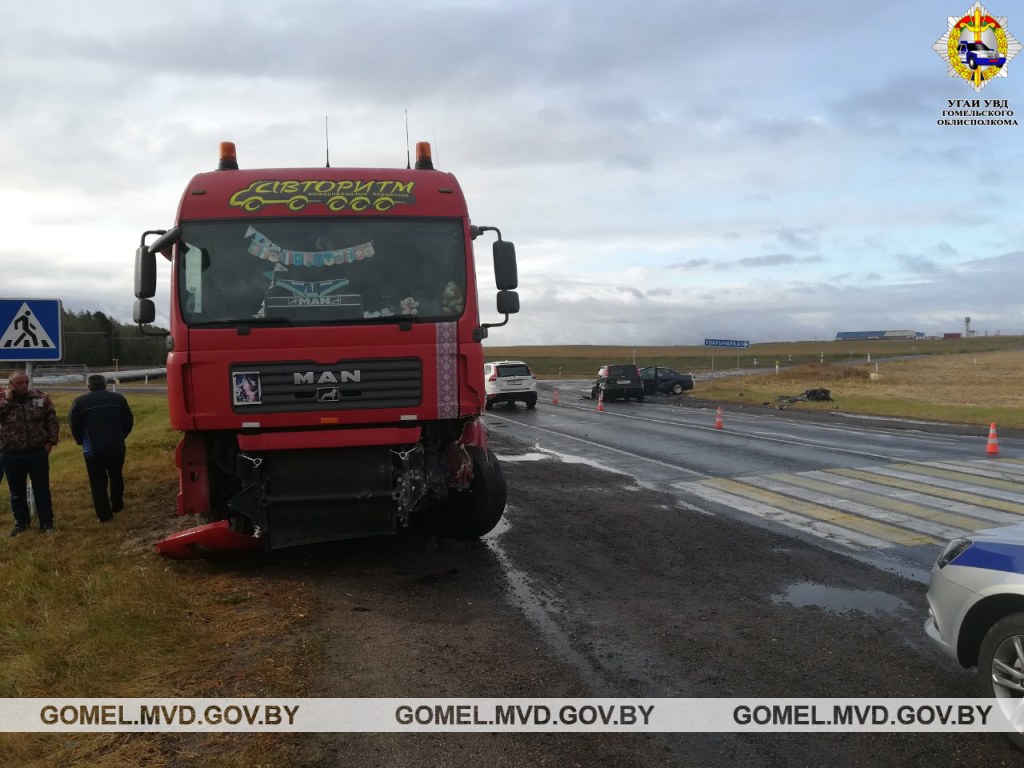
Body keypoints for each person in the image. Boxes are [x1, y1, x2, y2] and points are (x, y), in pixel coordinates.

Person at [0, 371, 59, 535]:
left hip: (37, 452)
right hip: (11, 453)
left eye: (26, 382)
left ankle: (46, 523)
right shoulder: (2, 400)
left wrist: (50, 444)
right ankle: (21, 523)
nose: (24, 385)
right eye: (20, 383)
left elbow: (52, 420)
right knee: (16, 491)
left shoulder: (39, 397)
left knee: (42, 489)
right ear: (11, 384)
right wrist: (9, 401)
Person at [69, 374, 134, 523]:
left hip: (93, 448)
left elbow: (74, 425)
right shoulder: (118, 399)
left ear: (89, 386)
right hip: (116, 445)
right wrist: (121, 436)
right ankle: (117, 504)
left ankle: (104, 515)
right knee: (116, 475)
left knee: (97, 481)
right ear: (105, 385)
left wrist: (80, 441)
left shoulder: (80, 402)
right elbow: (128, 421)